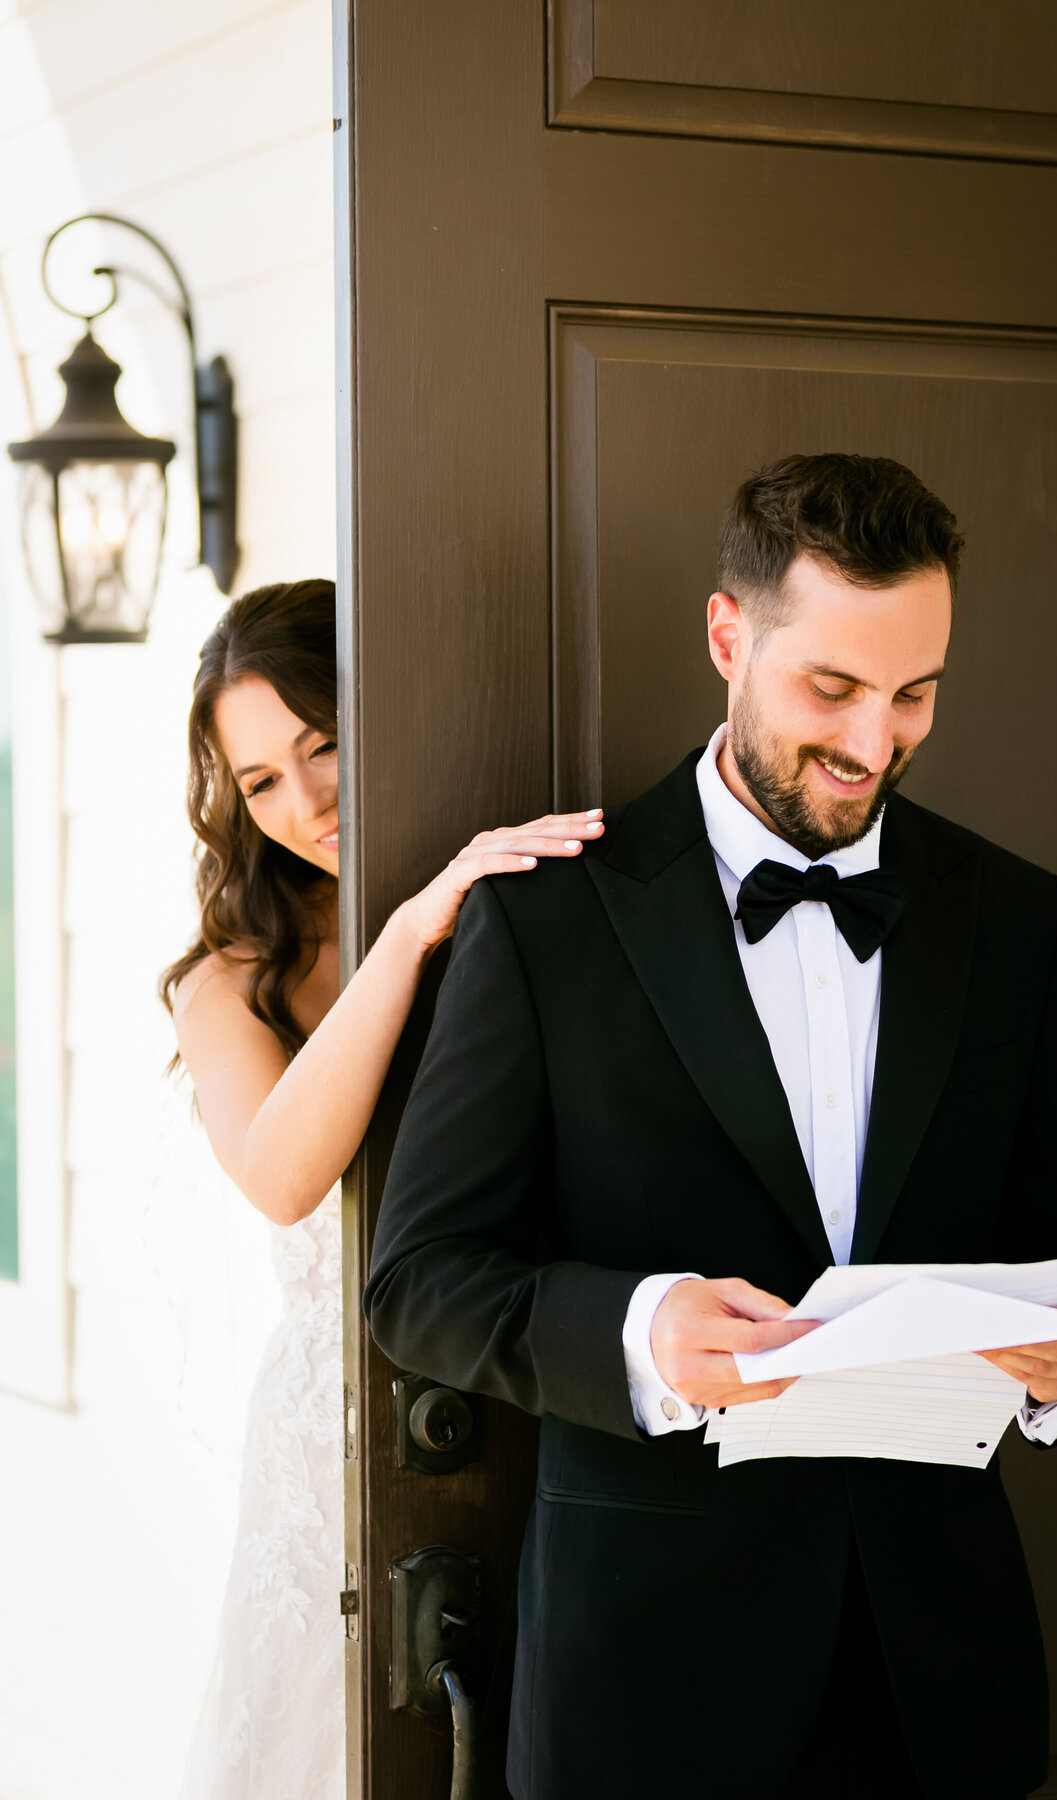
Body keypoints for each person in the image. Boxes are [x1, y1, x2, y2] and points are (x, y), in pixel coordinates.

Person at [364, 454, 1057, 1800]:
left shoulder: (1018, 920)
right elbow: (418, 1285)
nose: (873, 743)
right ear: (729, 636)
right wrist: (640, 1332)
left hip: (941, 1689)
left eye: (916, 695)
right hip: (646, 1686)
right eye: (831, 688)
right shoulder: (550, 918)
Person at [159, 578, 604, 1800]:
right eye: (260, 782)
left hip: (531, 1377)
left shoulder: (509, 903)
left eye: (325, 744)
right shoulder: (229, 982)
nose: (306, 802)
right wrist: (405, 932)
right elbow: (283, 1177)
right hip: (334, 1444)